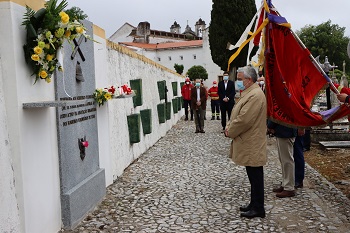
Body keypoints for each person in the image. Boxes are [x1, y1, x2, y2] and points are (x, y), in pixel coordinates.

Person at [225, 66, 267, 219]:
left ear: (249, 80)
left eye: (240, 79)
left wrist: (231, 131)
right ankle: (254, 203)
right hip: (249, 141)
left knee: (256, 176)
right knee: (252, 175)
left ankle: (258, 208)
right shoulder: (250, 92)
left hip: (252, 142)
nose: (238, 82)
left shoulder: (255, 95)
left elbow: (244, 119)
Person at [267, 121, 297, 198]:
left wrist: (270, 126)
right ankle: (285, 184)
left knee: (287, 160)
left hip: (285, 131)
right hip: (283, 130)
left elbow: (277, 114)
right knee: (283, 160)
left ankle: (289, 187)